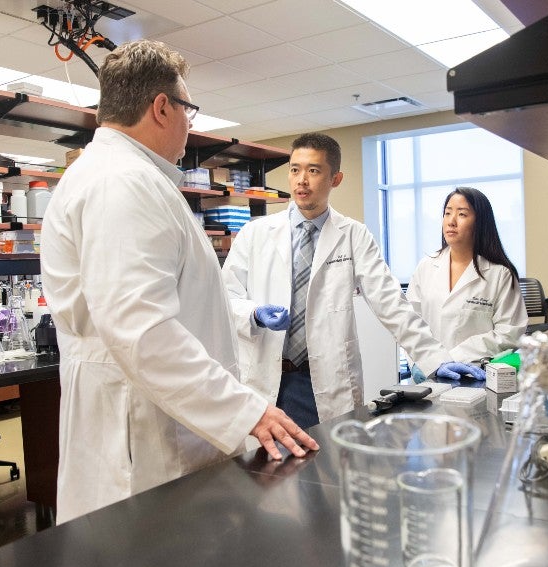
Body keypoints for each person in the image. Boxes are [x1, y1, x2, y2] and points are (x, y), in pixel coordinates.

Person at [40, 40, 318, 524]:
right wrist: (246, 409)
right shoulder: (121, 182)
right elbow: (141, 329)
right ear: (162, 107)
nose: (192, 122)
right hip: (141, 435)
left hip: (149, 417)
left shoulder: (124, 176)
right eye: (189, 108)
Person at [221, 133, 484, 429]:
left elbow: (391, 303)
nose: (301, 180)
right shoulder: (255, 233)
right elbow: (224, 298)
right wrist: (254, 314)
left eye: (314, 170)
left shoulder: (353, 235)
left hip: (323, 381)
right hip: (266, 376)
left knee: (330, 467)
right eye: (295, 169)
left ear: (336, 178)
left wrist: (435, 359)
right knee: (268, 471)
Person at [406, 187, 528, 363]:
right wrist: (421, 363)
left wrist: (454, 358)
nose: (451, 221)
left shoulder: (500, 274)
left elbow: (510, 333)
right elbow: (411, 323)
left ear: (480, 222)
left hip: (475, 374)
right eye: (447, 213)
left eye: (462, 214)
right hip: (428, 374)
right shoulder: (426, 266)